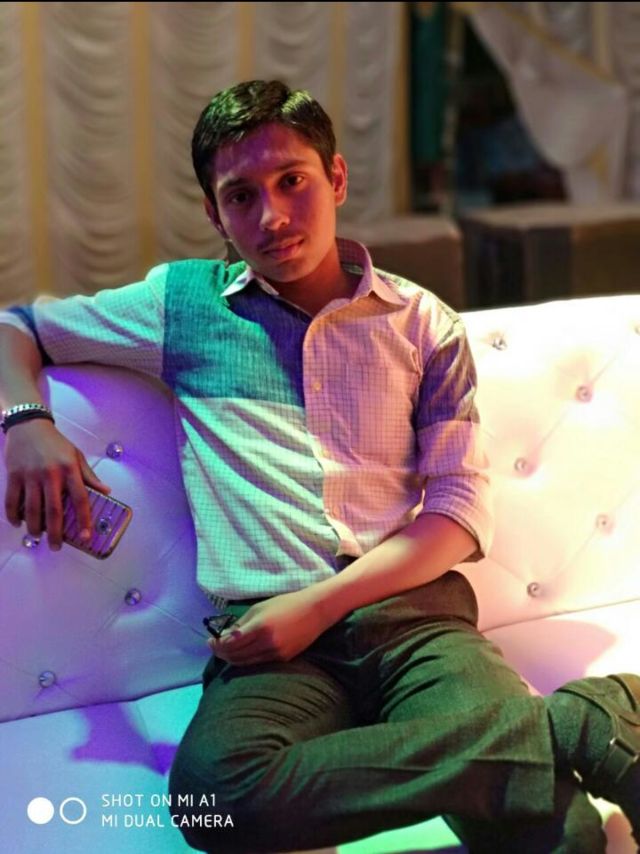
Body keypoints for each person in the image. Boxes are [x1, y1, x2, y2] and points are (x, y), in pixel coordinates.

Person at [0, 79, 638, 854]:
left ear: (335, 178)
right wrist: (26, 421)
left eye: (291, 181)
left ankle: (542, 737)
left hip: (415, 622)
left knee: (562, 841)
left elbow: (458, 513)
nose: (271, 216)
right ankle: (577, 724)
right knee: (215, 797)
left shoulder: (420, 323)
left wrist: (321, 605)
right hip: (269, 646)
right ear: (214, 214)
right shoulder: (183, 306)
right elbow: (15, 326)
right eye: (241, 196)